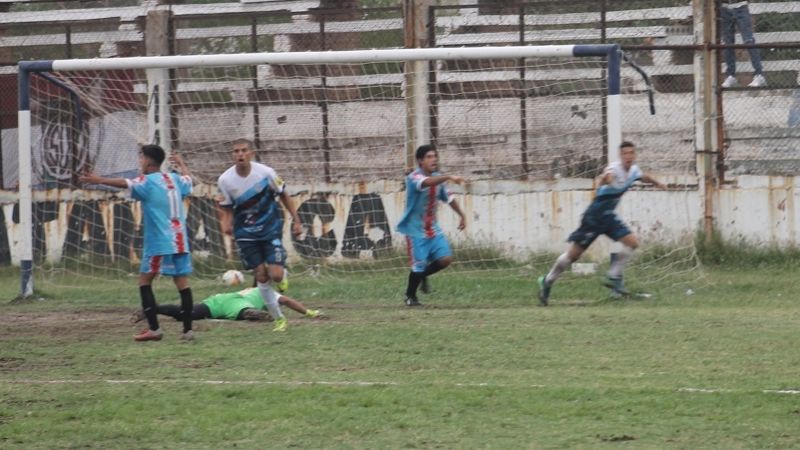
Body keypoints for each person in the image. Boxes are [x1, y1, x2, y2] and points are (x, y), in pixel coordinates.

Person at [80, 145, 195, 341]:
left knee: (144, 281)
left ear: (149, 161)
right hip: (180, 240)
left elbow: (125, 183)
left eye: (141, 158)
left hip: (160, 242)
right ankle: (188, 331)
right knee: (182, 282)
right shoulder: (174, 179)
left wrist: (98, 180)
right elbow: (189, 180)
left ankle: (154, 329)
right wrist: (182, 163)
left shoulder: (147, 181)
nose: (139, 162)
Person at [537, 141, 666, 305]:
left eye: (631, 153)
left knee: (632, 243)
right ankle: (547, 281)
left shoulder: (633, 171)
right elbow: (605, 178)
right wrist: (605, 180)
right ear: (620, 156)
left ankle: (613, 275)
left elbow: (643, 176)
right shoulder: (614, 168)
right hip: (594, 216)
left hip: (608, 217)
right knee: (573, 255)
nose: (628, 156)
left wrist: (658, 183)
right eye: (625, 153)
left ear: (635, 155)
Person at [216, 138, 303, 332]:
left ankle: (282, 278)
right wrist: (226, 223)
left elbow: (283, 195)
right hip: (245, 233)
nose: (240, 154)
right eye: (236, 151)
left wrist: (296, 220)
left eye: (244, 150)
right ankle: (278, 319)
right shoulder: (225, 180)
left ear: (251, 153)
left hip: (270, 228)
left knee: (276, 274)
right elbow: (226, 207)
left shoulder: (266, 173)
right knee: (261, 276)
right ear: (233, 155)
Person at [396, 144, 466, 307]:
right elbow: (426, 182)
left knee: (446, 259)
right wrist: (448, 176)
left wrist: (462, 215)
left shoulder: (439, 179)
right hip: (415, 231)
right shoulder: (414, 178)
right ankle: (410, 296)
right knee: (418, 266)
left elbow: (448, 198)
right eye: (429, 156)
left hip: (432, 229)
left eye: (435, 156)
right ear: (420, 161)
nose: (434, 159)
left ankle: (422, 275)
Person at [132, 287, 321, 323]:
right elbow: (286, 301)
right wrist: (308, 312)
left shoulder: (252, 288)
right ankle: (252, 314)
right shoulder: (268, 291)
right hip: (239, 303)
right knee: (245, 311)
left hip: (220, 299)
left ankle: (153, 309)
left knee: (185, 313)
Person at [720, 1, 767, 88]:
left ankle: (759, 75)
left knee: (748, 41)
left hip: (740, 5)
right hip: (725, 8)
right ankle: (730, 76)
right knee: (728, 43)